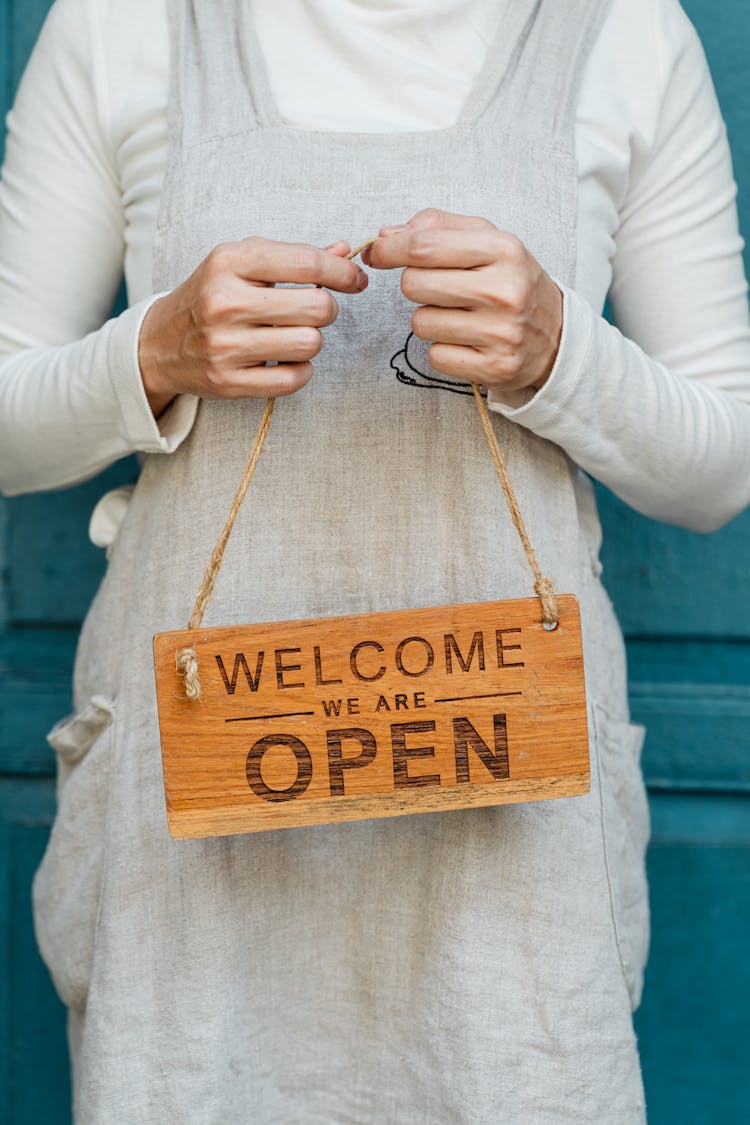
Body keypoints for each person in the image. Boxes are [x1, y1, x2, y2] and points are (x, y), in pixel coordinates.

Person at [1, 0, 749, 1120]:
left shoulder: (625, 32)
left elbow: (721, 470)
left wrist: (560, 354)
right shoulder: (123, 24)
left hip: (506, 811)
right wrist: (152, 349)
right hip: (203, 803)